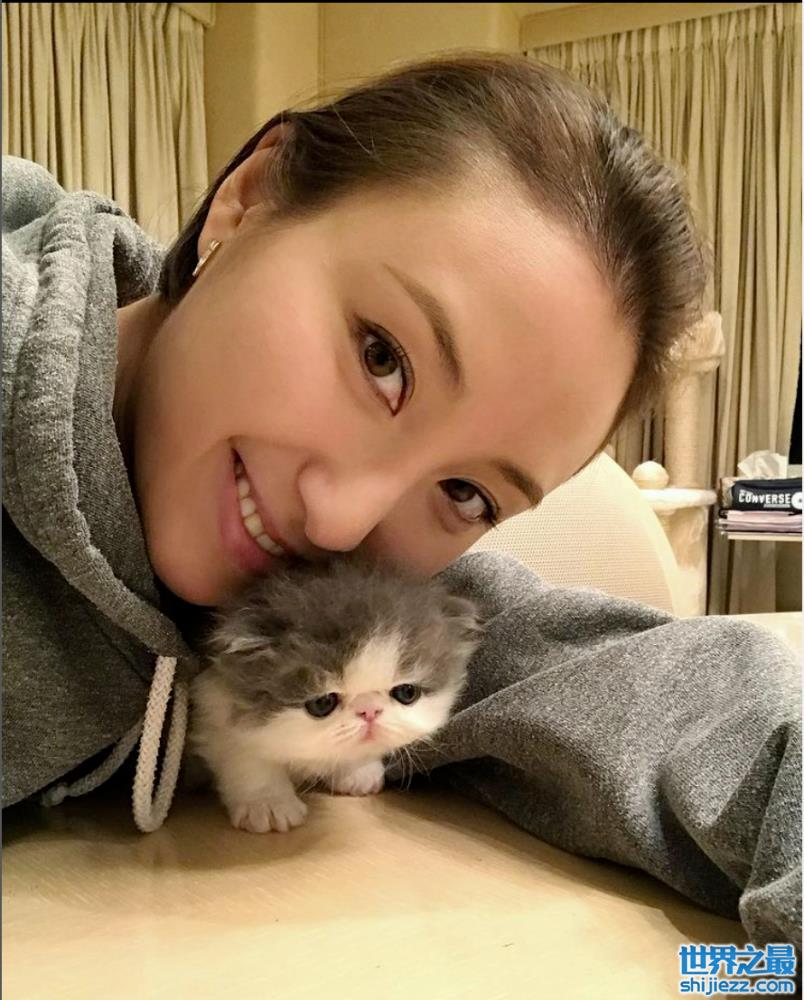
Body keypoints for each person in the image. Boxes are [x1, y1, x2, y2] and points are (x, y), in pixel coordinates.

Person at [4, 54, 799, 951]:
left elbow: (685, 703)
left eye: (466, 492)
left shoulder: (366, 605)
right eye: (382, 357)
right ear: (248, 197)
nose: (341, 523)